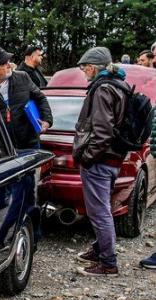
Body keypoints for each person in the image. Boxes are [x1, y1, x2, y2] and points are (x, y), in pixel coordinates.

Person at [72, 47, 128, 277]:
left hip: (101, 160)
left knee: (99, 212)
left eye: (85, 67)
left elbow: (102, 131)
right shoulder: (117, 85)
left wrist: (87, 158)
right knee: (103, 207)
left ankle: (108, 263)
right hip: (112, 158)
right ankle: (99, 250)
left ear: (94, 67)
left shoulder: (103, 89)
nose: (84, 71)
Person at [0, 46, 53, 150]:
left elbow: (40, 98)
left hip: (30, 144)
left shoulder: (22, 77)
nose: (9, 65)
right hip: (3, 150)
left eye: (9, 61)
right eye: (4, 63)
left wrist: (47, 120)